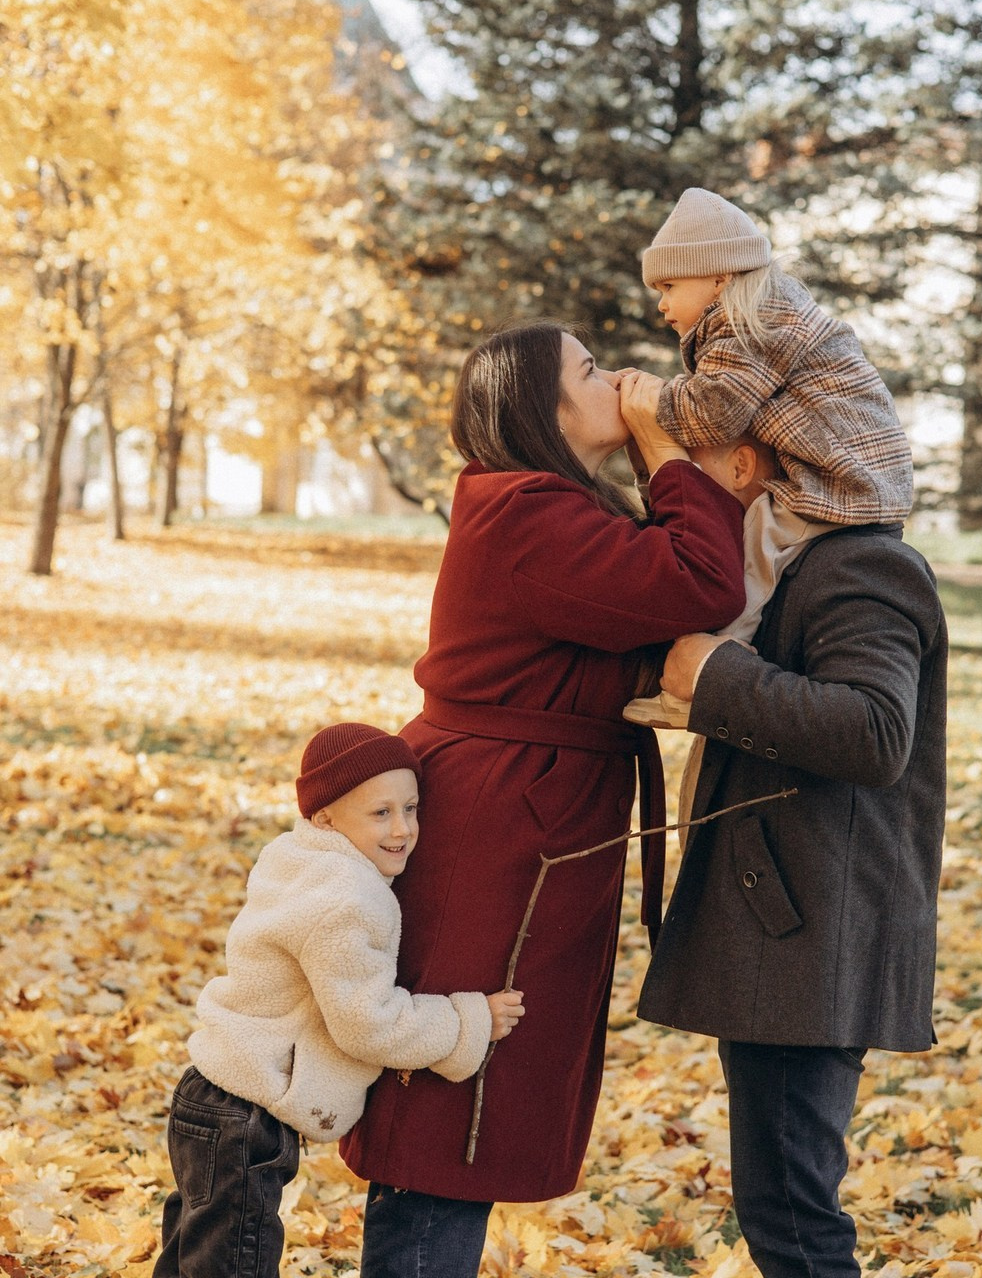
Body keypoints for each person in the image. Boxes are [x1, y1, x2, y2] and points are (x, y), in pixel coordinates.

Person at [339, 322, 747, 1277]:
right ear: (540, 409)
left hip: (530, 810)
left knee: (474, 1079)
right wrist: (666, 449)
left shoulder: (539, 504)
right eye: (591, 371)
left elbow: (668, 588)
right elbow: (700, 581)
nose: (619, 379)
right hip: (504, 824)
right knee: (453, 1088)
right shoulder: (523, 509)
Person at [636, 435, 948, 1278]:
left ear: (744, 466)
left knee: (792, 1214)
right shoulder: (784, 569)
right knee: (783, 1201)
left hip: (813, 929)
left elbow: (875, 732)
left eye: (683, 459)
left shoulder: (861, 565)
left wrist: (719, 676)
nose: (669, 485)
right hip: (786, 918)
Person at [154, 722, 525, 1278]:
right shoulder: (347, 899)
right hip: (246, 1115)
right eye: (380, 813)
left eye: (412, 808)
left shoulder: (297, 860)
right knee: (233, 1265)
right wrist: (465, 1019)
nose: (402, 829)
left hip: (210, 1095)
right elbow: (367, 1022)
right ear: (325, 815)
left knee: (193, 1259)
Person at [620, 186, 915, 730]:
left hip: (844, 479)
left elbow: (714, 412)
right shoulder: (759, 319)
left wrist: (649, 404)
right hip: (846, 470)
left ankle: (707, 670)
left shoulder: (754, 324)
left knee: (755, 547)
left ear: (719, 276)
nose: (661, 303)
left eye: (668, 286)